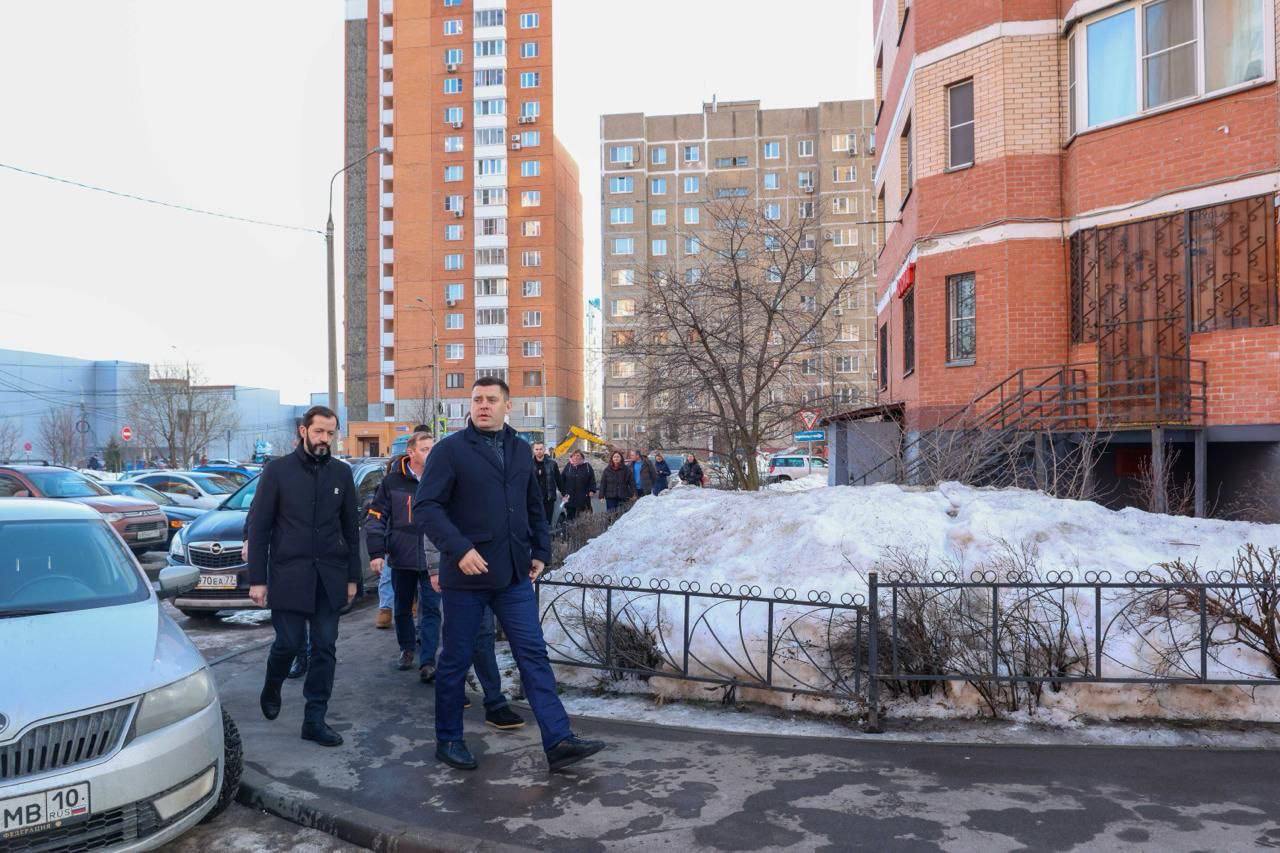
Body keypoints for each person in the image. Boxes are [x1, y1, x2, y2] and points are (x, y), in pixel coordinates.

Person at [415, 376, 606, 772]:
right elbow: (427, 507)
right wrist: (459, 549)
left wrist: (540, 551)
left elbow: (532, 504)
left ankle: (558, 740)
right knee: (456, 658)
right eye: (476, 399)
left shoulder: (520, 449)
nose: (483, 405)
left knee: (533, 654)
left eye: (491, 399)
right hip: (466, 577)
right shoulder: (450, 450)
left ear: (508, 405)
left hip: (514, 574)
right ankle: (448, 739)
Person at [248, 405, 359, 748]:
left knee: (325, 648)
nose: (324, 439)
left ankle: (315, 719)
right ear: (303, 431)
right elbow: (260, 527)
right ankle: (273, 684)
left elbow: (350, 529)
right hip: (289, 576)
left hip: (330, 577)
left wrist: (352, 578)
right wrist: (257, 579)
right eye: (319, 432)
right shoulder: (277, 471)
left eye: (330, 433)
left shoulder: (341, 474)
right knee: (289, 643)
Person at [531, 442, 562, 531]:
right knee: (535, 523)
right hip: (534, 499)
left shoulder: (552, 464)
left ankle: (547, 538)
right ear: (533, 450)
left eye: (541, 449)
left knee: (547, 523)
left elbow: (559, 480)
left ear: (544, 450)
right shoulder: (529, 464)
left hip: (548, 498)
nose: (539, 451)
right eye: (536, 449)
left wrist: (564, 493)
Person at [560, 450, 596, 522]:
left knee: (582, 517)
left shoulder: (587, 466)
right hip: (570, 496)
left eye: (578, 455)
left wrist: (592, 490)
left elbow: (592, 480)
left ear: (582, 457)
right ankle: (570, 528)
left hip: (583, 496)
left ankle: (581, 528)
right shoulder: (568, 465)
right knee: (570, 516)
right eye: (574, 455)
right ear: (571, 457)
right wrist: (563, 492)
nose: (576, 457)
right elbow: (562, 479)